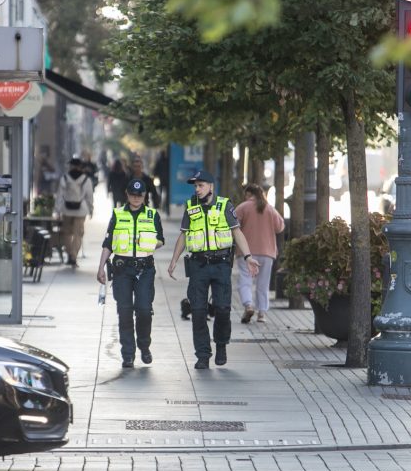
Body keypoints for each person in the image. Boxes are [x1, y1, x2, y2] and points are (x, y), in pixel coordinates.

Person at [167, 170, 260, 369]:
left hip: (220, 265)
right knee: (198, 311)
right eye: (195, 186)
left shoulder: (225, 205)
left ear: (211, 186)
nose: (197, 189)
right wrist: (174, 260)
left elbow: (237, 232)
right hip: (198, 266)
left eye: (201, 185)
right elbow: (183, 235)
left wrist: (248, 256)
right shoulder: (191, 207)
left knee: (223, 309)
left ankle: (221, 344)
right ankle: (202, 354)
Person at [97, 178, 165, 368]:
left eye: (140, 195)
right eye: (133, 195)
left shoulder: (152, 215)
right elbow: (108, 243)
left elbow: (160, 240)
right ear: (127, 194)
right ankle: (128, 354)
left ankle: (144, 346)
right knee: (124, 312)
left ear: (145, 196)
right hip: (122, 269)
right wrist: (101, 267)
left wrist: (148, 242)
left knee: (144, 310)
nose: (136, 198)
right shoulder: (118, 214)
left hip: (145, 269)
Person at [234, 183, 285, 324]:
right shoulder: (269, 209)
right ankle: (262, 313)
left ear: (248, 194)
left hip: (246, 252)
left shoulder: (243, 207)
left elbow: (232, 226)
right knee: (263, 283)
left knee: (245, 279)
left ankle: (248, 305)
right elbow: (280, 226)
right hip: (267, 252)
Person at [55, 157, 94, 267]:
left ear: (70, 166)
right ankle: (73, 256)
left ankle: (69, 254)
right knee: (78, 234)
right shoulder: (86, 180)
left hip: (66, 210)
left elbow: (59, 195)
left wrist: (57, 210)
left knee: (66, 233)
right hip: (81, 210)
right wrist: (91, 210)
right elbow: (89, 197)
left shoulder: (65, 178)